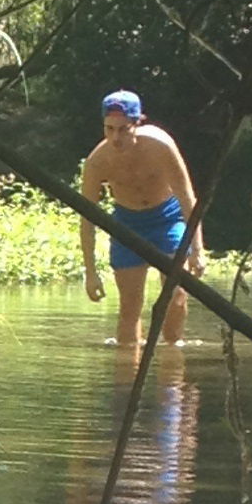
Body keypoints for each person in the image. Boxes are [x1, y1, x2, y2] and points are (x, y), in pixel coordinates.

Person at [80, 89, 203, 344]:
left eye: (123, 129)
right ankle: (127, 377)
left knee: (176, 294)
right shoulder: (97, 162)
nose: (116, 138)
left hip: (167, 219)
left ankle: (172, 366)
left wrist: (197, 250)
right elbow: (87, 219)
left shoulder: (160, 146)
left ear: (138, 123)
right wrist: (90, 272)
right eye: (109, 129)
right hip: (127, 225)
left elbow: (187, 198)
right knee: (130, 307)